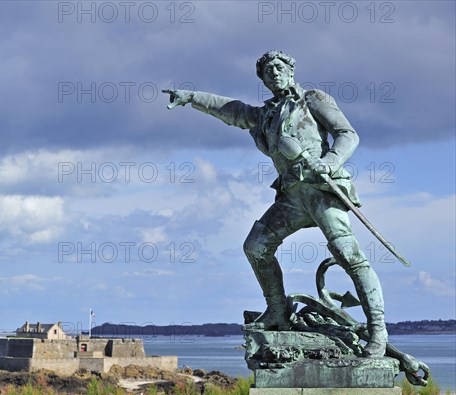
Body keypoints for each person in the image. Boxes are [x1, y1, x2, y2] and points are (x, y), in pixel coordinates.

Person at [163, 50, 388, 357]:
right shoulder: (265, 114)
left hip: (321, 188)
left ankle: (378, 330)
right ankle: (278, 311)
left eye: (279, 68)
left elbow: (347, 134)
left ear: (291, 69)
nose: (274, 74)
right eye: (268, 72)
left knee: (348, 254)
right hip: (292, 195)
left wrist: (331, 161)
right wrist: (191, 97)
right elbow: (233, 110)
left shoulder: (312, 100)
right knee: (255, 246)